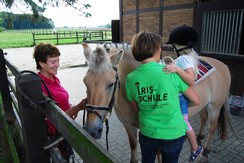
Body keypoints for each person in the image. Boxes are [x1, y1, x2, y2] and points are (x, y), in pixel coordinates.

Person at [125, 31, 200, 163]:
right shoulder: (170, 72)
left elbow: (136, 108)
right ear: (156, 49)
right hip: (173, 134)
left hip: (147, 133)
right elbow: (196, 100)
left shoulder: (130, 79)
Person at [33, 42, 87, 162]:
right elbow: (53, 118)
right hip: (57, 135)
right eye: (53, 62)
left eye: (58, 60)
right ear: (41, 63)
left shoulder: (53, 78)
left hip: (64, 128)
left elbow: (59, 103)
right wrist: (77, 108)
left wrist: (70, 106)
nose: (57, 65)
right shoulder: (40, 86)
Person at [164, 25, 203, 162]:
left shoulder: (183, 59)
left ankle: (195, 148)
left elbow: (191, 80)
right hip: (180, 97)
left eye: (174, 44)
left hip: (180, 98)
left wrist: (176, 69)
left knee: (185, 124)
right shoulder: (188, 58)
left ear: (179, 45)